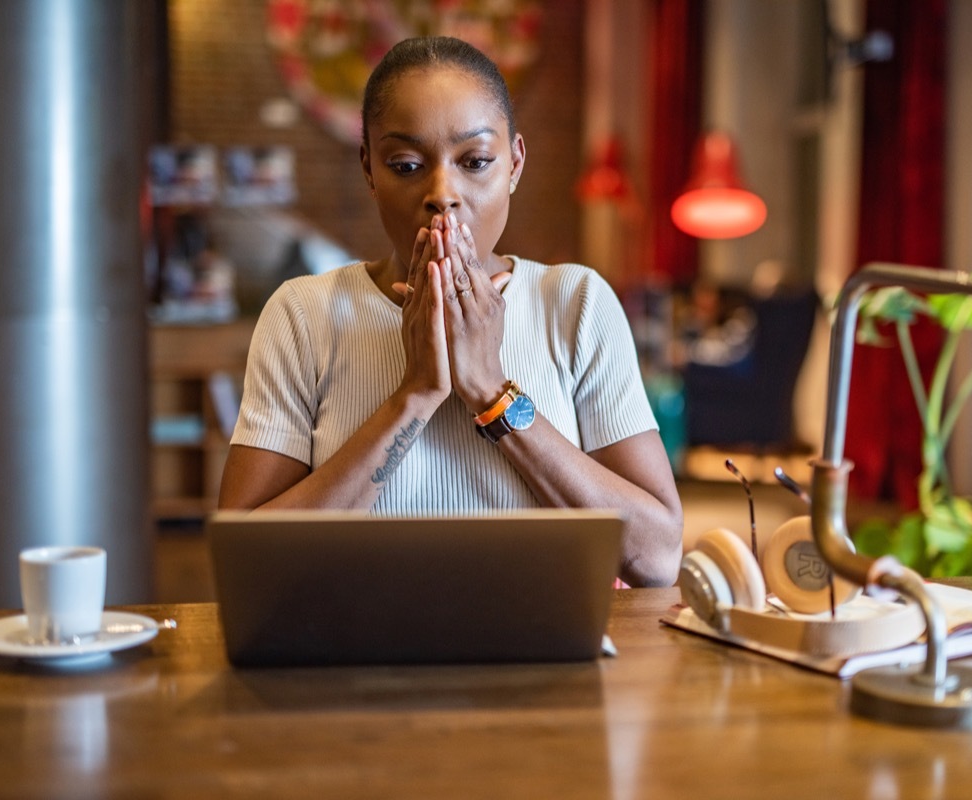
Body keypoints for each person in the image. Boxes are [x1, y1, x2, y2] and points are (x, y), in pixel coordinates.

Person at [217, 36, 682, 587]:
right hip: (351, 662)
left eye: (476, 161)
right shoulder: (303, 315)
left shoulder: (575, 303)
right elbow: (243, 567)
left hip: (541, 660)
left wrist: (490, 392)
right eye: (407, 164)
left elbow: (657, 558)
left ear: (514, 162)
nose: (443, 192)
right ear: (369, 169)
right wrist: (415, 396)